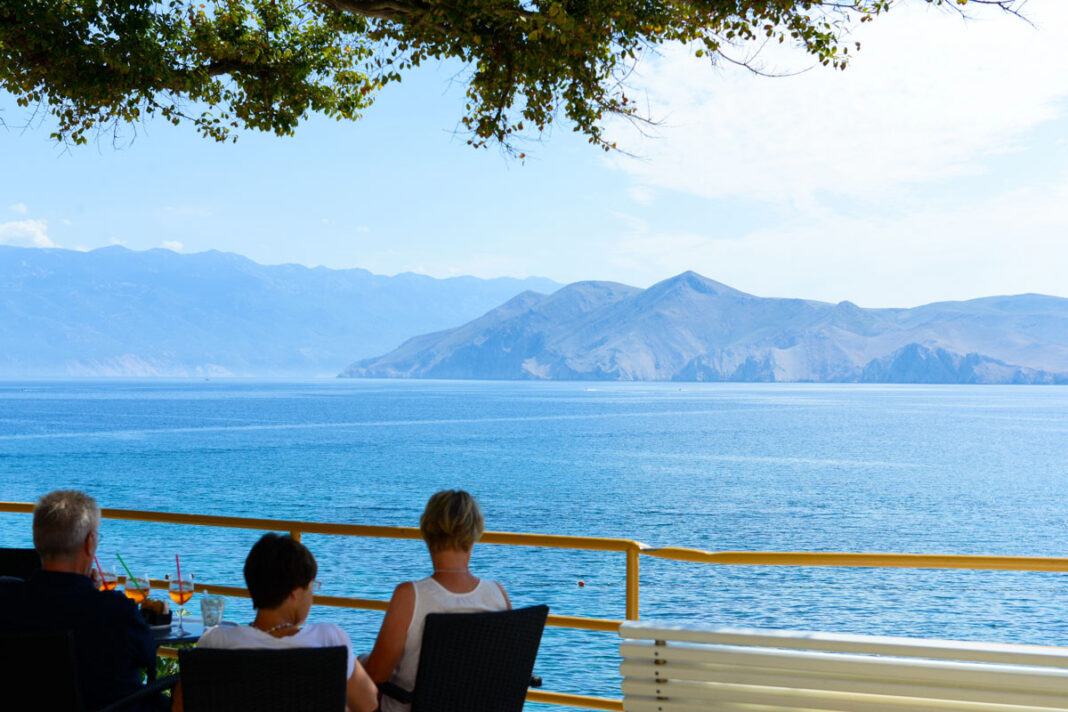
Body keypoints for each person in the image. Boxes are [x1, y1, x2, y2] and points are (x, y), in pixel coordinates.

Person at [0, 490, 164, 711]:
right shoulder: (115, 610)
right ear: (90, 543)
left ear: (38, 540)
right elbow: (148, 656)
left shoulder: (8, 598)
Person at [363, 490, 511, 712]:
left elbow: (376, 675)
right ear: (475, 533)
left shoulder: (410, 596)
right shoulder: (498, 594)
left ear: (427, 531)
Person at [196, 533, 378, 712]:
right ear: (294, 592)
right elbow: (369, 704)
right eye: (311, 586)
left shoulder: (214, 642)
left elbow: (182, 705)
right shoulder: (329, 639)